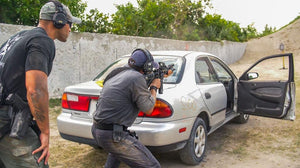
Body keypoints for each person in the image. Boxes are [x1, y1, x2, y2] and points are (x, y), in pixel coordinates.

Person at [0, 0, 81, 167]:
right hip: (7, 119)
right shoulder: (42, 40)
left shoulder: (18, 37)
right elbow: (36, 90)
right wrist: (45, 132)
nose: (70, 28)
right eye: (69, 23)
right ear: (59, 20)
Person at [92, 48, 162, 168]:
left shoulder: (117, 73)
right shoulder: (137, 78)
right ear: (147, 67)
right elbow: (148, 108)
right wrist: (154, 87)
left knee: (115, 158)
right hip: (113, 134)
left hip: (98, 129)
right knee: (153, 166)